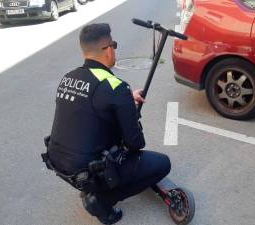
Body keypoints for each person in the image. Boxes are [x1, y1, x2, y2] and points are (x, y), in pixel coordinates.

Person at [46, 23, 171, 225]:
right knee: (163, 164)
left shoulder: (69, 77)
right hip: (86, 172)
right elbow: (135, 144)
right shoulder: (116, 88)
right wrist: (126, 107)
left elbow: (89, 103)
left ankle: (93, 189)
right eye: (114, 44)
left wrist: (126, 100)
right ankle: (102, 200)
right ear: (109, 49)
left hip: (58, 163)